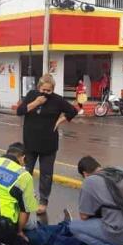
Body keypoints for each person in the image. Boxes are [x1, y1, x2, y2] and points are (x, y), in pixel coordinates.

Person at [16, 74, 78, 215]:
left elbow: (72, 111)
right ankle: (24, 198)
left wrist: (59, 121)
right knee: (26, 172)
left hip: (48, 144)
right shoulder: (32, 95)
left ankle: (43, 202)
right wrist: (36, 103)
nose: (46, 93)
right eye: (43, 90)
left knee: (46, 175)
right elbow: (20, 111)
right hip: (30, 143)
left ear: (53, 89)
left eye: (49, 91)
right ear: (39, 87)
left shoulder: (57, 100)